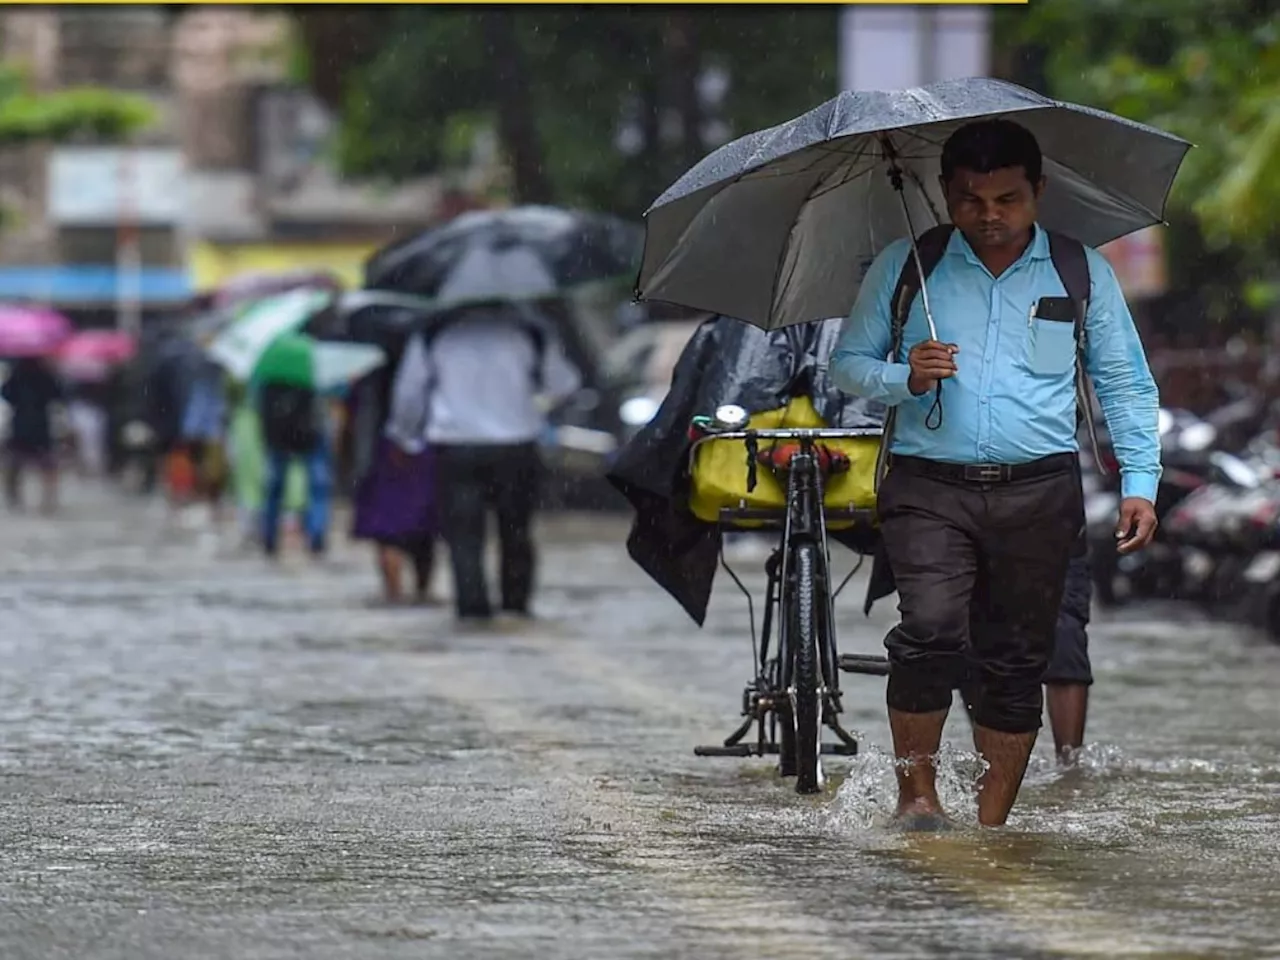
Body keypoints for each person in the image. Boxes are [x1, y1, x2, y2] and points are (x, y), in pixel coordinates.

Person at [832, 119, 1160, 828]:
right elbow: (848, 364)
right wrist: (903, 375)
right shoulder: (906, 267)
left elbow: (1126, 383)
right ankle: (916, 800)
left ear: (1037, 191)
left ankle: (989, 826)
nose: (989, 216)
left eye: (1007, 199)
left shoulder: (1080, 271)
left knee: (1017, 656)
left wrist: (1141, 481)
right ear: (947, 194)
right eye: (970, 199)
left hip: (1040, 489)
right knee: (931, 627)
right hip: (927, 485)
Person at [386, 304, 581, 625]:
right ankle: (515, 605)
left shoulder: (435, 334)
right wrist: (528, 396)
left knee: (463, 532)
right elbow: (563, 384)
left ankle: (472, 608)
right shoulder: (529, 332)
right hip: (515, 442)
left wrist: (403, 437)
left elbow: (409, 392)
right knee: (516, 529)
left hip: (456, 445)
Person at [348, 365, 441, 606]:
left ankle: (394, 594)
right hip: (426, 445)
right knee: (423, 528)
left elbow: (356, 416)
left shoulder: (369, 365)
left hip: (384, 451)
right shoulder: (427, 350)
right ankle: (421, 593)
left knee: (388, 531)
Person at [257, 372, 334, 559]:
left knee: (275, 486)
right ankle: (315, 536)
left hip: (279, 433)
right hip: (311, 430)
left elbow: (258, 403)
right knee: (318, 486)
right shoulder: (315, 365)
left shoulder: (270, 370)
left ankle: (270, 536)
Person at [2, 356, 63, 513]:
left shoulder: (16, 374)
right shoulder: (46, 375)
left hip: (21, 423)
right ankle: (48, 499)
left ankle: (14, 497)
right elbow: (57, 395)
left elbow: (6, 395)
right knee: (46, 464)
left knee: (16, 464)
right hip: (39, 424)